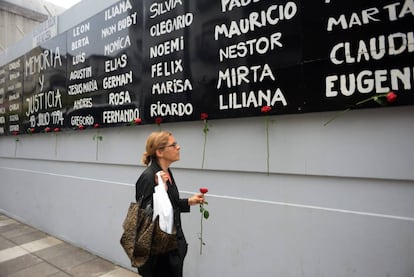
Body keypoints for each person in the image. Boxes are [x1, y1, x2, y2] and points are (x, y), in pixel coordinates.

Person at [135, 131, 205, 277]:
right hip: (159, 256)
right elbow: (145, 217)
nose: (178, 147)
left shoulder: (165, 172)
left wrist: (189, 202)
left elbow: (169, 205)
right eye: (173, 145)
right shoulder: (149, 178)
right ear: (160, 151)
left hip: (172, 249)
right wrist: (159, 187)